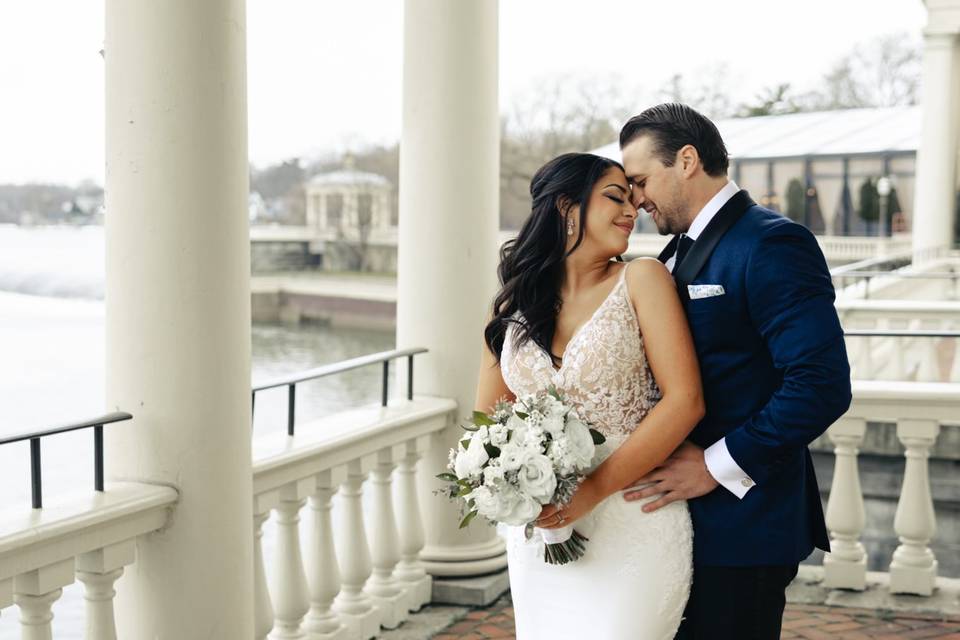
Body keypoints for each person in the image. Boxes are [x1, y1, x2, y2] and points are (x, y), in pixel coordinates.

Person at [619, 103, 852, 639]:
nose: (636, 198)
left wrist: (716, 466)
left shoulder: (772, 242)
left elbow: (820, 385)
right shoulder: (673, 252)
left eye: (640, 180)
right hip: (675, 525)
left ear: (686, 160)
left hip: (744, 525)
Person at [475, 152, 704, 638]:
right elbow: (490, 421)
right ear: (566, 207)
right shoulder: (515, 303)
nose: (632, 209)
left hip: (633, 518)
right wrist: (513, 484)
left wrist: (593, 490)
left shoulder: (642, 279)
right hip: (539, 533)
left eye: (633, 199)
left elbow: (685, 400)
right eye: (615, 197)